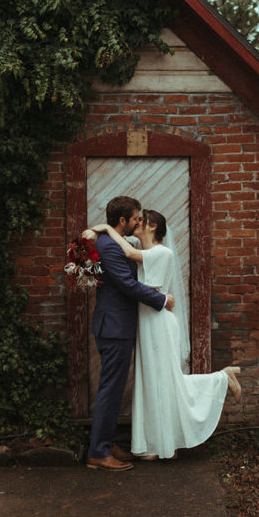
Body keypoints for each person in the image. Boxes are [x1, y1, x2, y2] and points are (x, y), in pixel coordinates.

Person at [86, 209, 241, 461]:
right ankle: (160, 442)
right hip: (146, 325)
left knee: (168, 381)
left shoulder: (161, 252)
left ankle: (221, 379)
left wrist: (104, 228)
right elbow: (126, 246)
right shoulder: (143, 248)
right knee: (154, 383)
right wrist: (94, 231)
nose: (137, 222)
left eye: (141, 219)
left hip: (159, 323)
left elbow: (128, 252)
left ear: (152, 226)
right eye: (134, 218)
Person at [86, 196, 175, 472]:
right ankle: (99, 453)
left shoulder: (114, 242)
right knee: (110, 390)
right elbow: (127, 285)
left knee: (113, 389)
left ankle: (107, 443)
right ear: (123, 221)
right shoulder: (110, 247)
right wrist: (161, 301)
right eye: (136, 217)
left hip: (118, 326)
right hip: (114, 328)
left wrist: (98, 228)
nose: (139, 221)